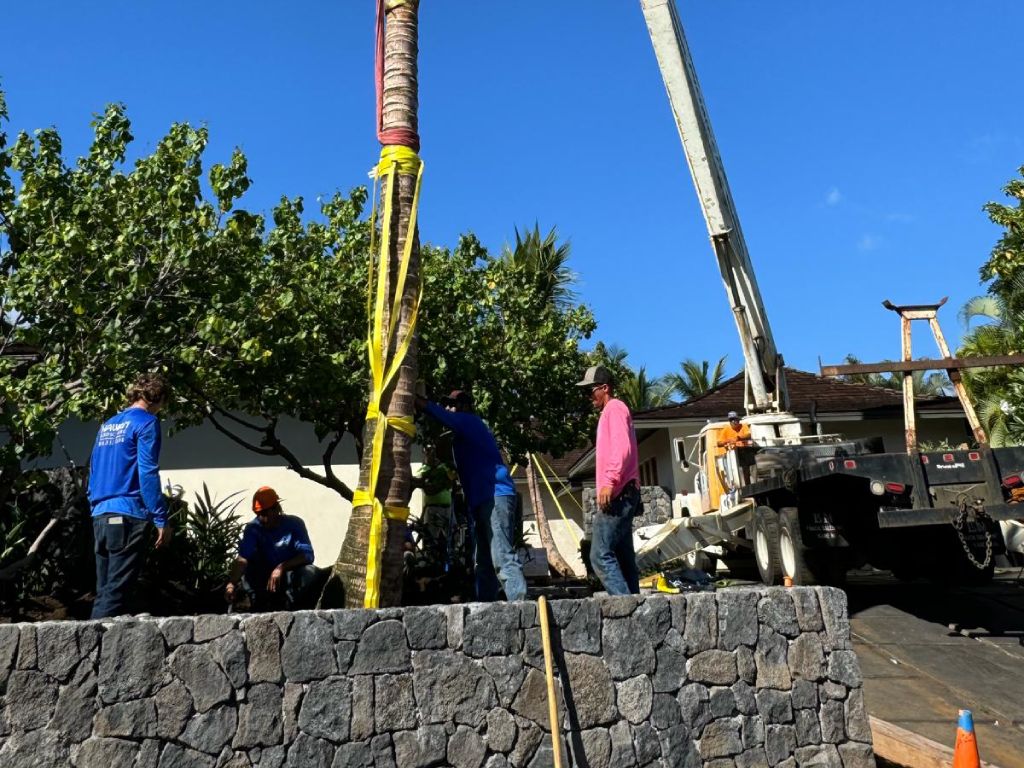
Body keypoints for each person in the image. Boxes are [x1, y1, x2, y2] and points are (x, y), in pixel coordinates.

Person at [415, 389, 527, 602]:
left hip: (496, 495)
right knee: (482, 560)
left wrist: (416, 399)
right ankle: (486, 606)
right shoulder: (461, 438)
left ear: (465, 407)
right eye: (446, 404)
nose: (449, 408)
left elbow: (440, 414)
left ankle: (521, 605)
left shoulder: (470, 421)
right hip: (481, 500)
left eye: (452, 404)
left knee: (501, 554)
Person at [88, 372, 173, 619]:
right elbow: (147, 472)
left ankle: (100, 649)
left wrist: (95, 506)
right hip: (128, 514)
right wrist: (160, 518)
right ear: (158, 398)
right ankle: (98, 652)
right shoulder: (146, 423)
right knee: (116, 594)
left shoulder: (107, 426)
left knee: (105, 590)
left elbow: (93, 471)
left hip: (101, 515)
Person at [578, 365, 641, 595]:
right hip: (624, 491)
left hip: (620, 492)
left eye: (591, 390)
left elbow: (622, 449)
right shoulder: (612, 411)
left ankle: (625, 605)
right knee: (624, 560)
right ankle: (637, 608)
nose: (588, 396)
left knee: (599, 554)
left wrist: (610, 481)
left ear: (605, 388)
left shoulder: (614, 408)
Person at [224, 486, 318, 611]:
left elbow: (307, 555)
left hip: (289, 574)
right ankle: (257, 604)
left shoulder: (294, 524)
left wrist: (281, 567)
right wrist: (231, 584)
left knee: (310, 572)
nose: (261, 518)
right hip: (263, 577)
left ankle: (292, 606)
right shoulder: (253, 528)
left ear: (276, 509)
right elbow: (243, 559)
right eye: (258, 514)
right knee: (248, 576)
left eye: (264, 513)